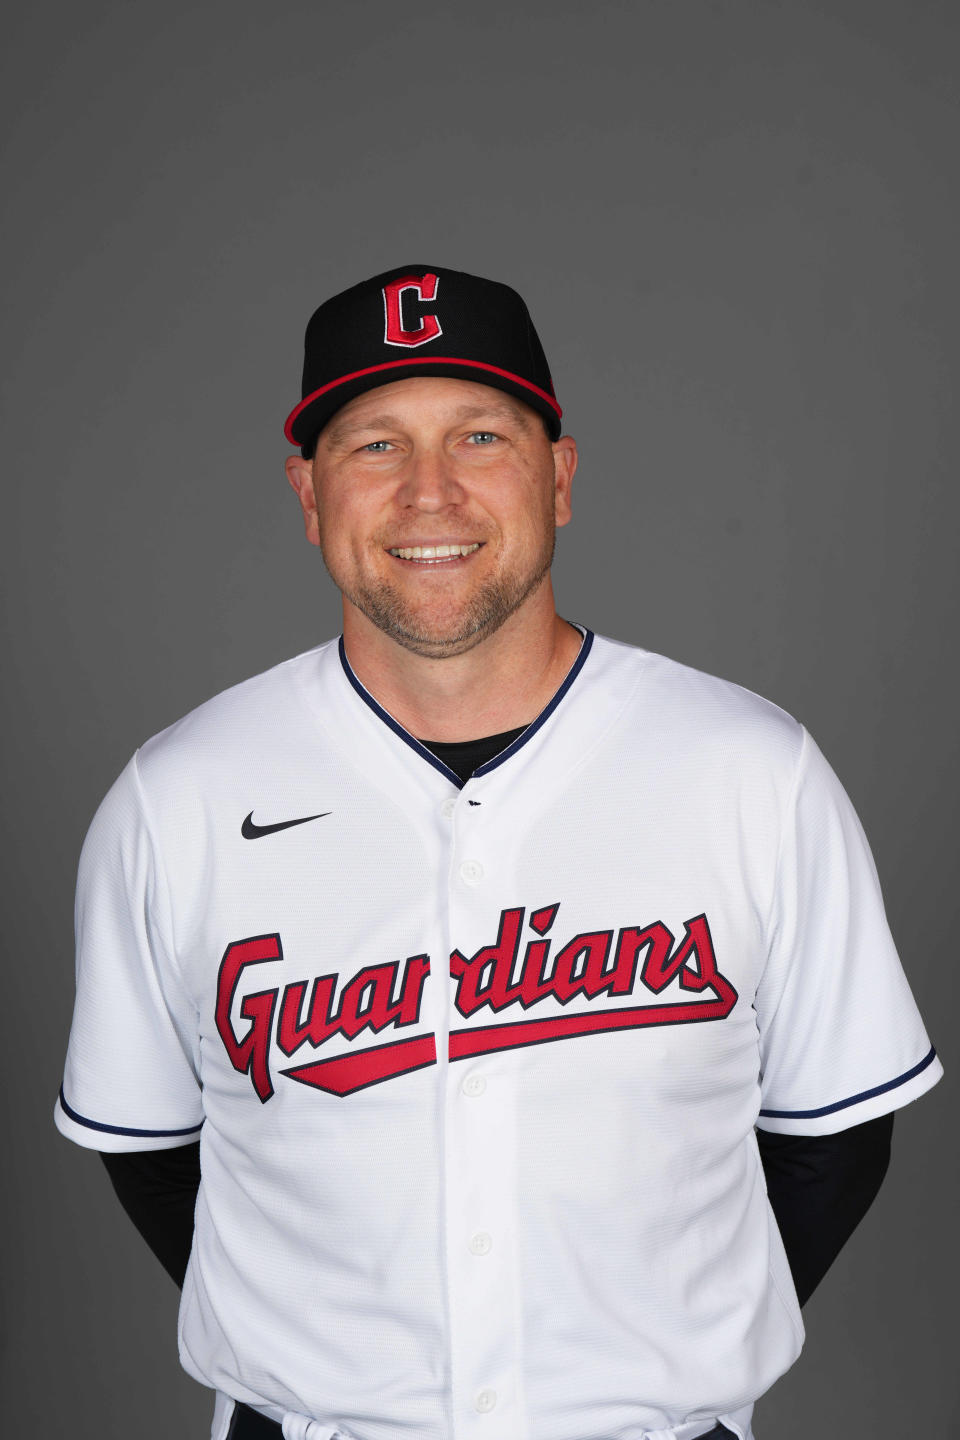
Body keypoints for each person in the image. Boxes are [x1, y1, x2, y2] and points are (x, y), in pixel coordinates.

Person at [55, 265, 942, 1440]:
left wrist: (659, 1347)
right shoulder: (177, 799)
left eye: (480, 435)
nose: (431, 492)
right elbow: (153, 1156)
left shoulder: (751, 771)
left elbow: (838, 1140)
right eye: (375, 445)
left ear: (558, 477)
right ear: (308, 492)